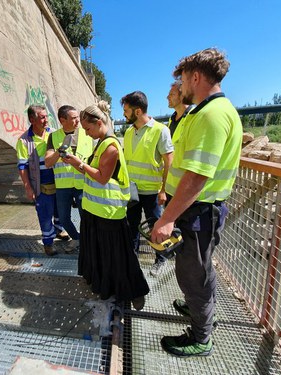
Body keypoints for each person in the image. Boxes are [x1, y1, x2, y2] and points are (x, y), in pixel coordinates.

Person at [151, 48, 242, 357]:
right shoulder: (202, 112)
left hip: (201, 210)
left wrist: (166, 219)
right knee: (197, 270)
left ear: (195, 76)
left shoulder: (212, 115)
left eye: (182, 80)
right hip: (195, 209)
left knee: (194, 275)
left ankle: (201, 337)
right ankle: (196, 308)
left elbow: (197, 177)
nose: (181, 87)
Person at [61, 101, 149, 309]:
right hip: (95, 211)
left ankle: (132, 291)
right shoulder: (100, 143)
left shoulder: (110, 146)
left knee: (118, 256)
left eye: (88, 129)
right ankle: (103, 284)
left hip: (109, 214)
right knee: (100, 252)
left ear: (99, 122)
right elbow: (94, 172)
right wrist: (77, 163)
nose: (87, 133)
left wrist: (78, 163)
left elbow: (101, 177)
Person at [120, 91, 174, 277]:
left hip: (152, 191)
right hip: (132, 190)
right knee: (132, 225)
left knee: (156, 228)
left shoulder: (160, 130)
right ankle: (132, 260)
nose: (124, 114)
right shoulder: (128, 132)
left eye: (126, 110)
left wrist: (163, 190)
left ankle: (161, 260)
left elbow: (169, 162)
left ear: (137, 111)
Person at [16, 105, 69, 257]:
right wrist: (28, 187)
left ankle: (59, 230)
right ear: (32, 120)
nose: (47, 120)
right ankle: (48, 243)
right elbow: (22, 166)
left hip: (59, 180)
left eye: (47, 116)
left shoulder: (53, 133)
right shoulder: (24, 140)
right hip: (41, 183)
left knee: (60, 208)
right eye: (43, 117)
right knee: (45, 213)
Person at [45, 105, 94, 253]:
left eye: (77, 117)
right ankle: (77, 239)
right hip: (63, 186)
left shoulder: (87, 134)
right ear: (62, 120)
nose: (77, 121)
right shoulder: (53, 137)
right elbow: (48, 162)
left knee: (86, 218)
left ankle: (88, 242)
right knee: (64, 218)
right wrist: (60, 151)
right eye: (73, 118)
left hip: (83, 184)